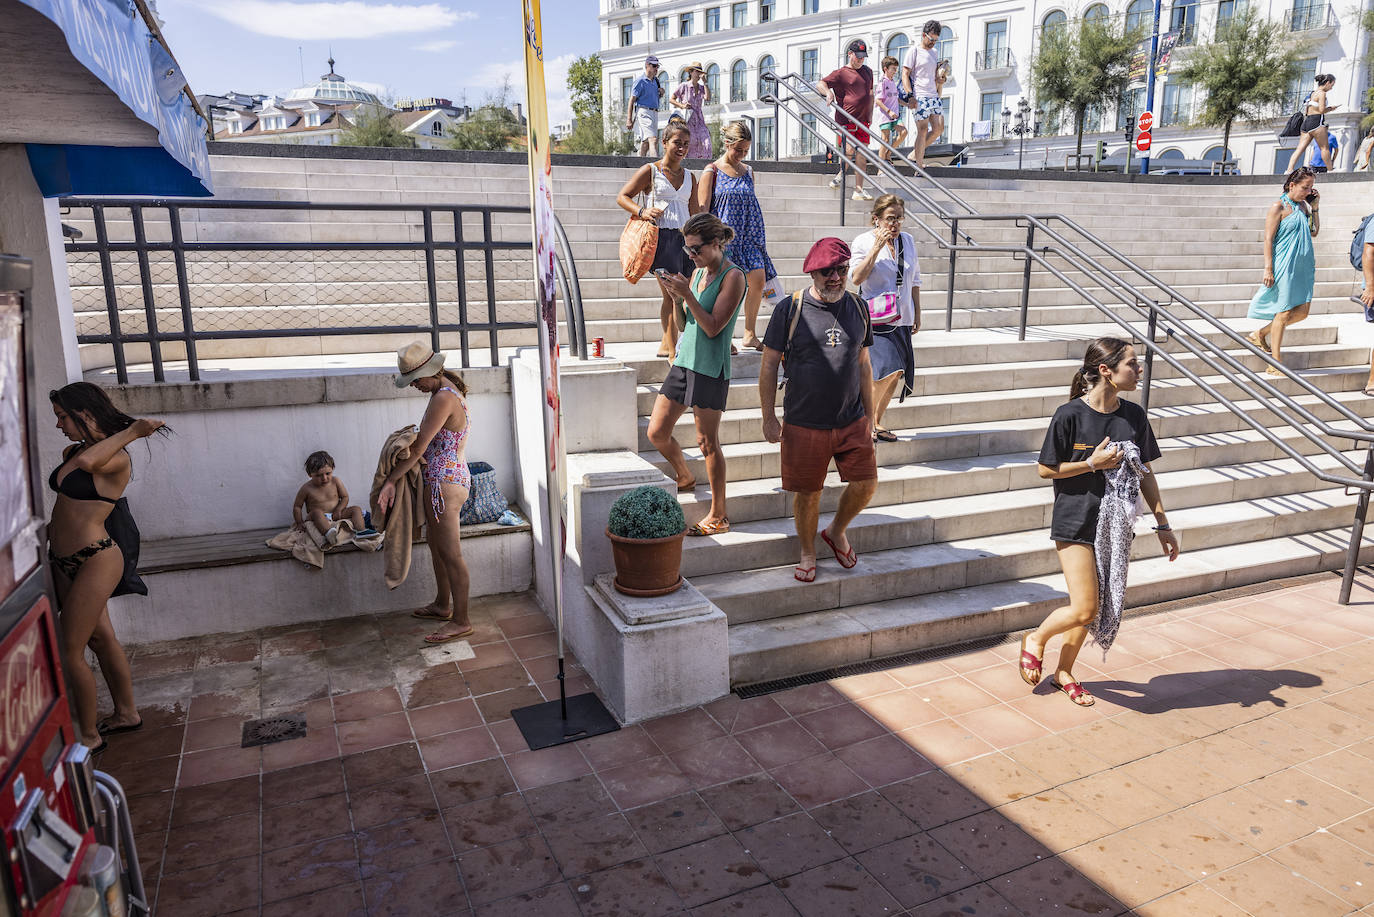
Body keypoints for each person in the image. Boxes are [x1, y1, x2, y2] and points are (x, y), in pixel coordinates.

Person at [1018, 338, 1179, 708]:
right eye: (1133, 364)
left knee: (1095, 605)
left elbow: (1145, 473)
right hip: (1075, 520)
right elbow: (1046, 469)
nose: (1140, 370)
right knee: (1087, 608)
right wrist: (1092, 463)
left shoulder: (1134, 416)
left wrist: (1163, 524)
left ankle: (1064, 673)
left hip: (1116, 526)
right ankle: (1036, 639)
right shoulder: (1069, 415)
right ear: (1106, 370)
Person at [47, 382, 167, 751]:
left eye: (63, 417)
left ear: (84, 414)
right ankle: (126, 713)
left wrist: (132, 431)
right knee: (100, 639)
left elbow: (88, 464)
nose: (59, 425)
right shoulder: (75, 449)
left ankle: (87, 735)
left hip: (96, 558)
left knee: (69, 651)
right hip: (62, 560)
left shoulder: (116, 458)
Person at [758, 238, 877, 582]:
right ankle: (808, 551)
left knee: (866, 483)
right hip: (804, 421)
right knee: (809, 493)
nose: (836, 277)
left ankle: (836, 531)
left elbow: (864, 362)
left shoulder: (858, 307)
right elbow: (768, 367)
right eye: (828, 271)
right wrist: (768, 417)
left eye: (841, 270)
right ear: (813, 271)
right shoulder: (790, 309)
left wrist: (872, 417)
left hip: (851, 418)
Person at [647, 213, 746, 534]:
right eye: (687, 250)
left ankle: (719, 515)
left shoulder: (733, 277)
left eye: (695, 249)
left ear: (716, 243)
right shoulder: (698, 272)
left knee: (707, 443)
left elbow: (714, 327)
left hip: (709, 368)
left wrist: (687, 295)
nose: (690, 256)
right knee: (656, 432)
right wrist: (677, 300)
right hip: (684, 362)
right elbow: (684, 325)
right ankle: (684, 474)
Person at [377, 343, 474, 644]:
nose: (415, 386)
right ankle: (443, 605)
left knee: (451, 554)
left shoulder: (443, 398)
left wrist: (390, 480)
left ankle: (461, 620)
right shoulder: (444, 391)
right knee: (436, 547)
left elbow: (420, 448)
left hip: (444, 486)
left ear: (429, 372)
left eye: (416, 380)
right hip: (444, 481)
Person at [617, 121, 701, 359]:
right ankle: (673, 351)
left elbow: (694, 210)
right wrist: (642, 211)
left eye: (686, 144)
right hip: (662, 239)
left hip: (686, 241)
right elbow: (622, 196)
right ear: (664, 143)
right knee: (671, 295)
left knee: (685, 294)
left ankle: (669, 344)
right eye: (677, 143)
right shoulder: (650, 170)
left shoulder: (690, 177)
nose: (682, 148)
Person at [699, 120, 778, 351]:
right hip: (724, 240)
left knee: (758, 280)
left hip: (750, 236)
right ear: (727, 143)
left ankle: (750, 334)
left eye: (746, 151)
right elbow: (703, 210)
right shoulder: (711, 171)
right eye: (738, 150)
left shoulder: (749, 171)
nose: (742, 155)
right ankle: (724, 336)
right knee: (730, 288)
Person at [850, 194, 920, 443]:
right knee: (886, 370)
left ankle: (876, 422)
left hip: (902, 315)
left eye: (899, 218)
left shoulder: (908, 241)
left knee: (897, 373)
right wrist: (877, 247)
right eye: (890, 218)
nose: (895, 224)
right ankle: (864, 422)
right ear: (875, 219)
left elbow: (915, 281)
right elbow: (856, 278)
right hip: (875, 319)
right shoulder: (863, 241)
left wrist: (917, 313)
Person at [1247, 167, 1319, 375]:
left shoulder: (1304, 207)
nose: (1308, 192)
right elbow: (1268, 239)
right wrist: (1268, 268)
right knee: (1284, 311)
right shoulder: (1278, 206)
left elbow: (1314, 232)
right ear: (1292, 185)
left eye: (1311, 188)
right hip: (1284, 264)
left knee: (1302, 312)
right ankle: (1275, 363)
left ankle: (1259, 334)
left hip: (1303, 266)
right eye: (1305, 188)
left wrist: (1315, 207)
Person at [819, 40, 876, 201]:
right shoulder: (841, 73)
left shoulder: (868, 72)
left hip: (863, 121)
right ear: (850, 54)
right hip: (846, 120)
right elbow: (821, 83)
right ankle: (840, 175)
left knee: (862, 153)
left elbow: (870, 93)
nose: (860, 60)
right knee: (850, 150)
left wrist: (870, 115)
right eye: (857, 56)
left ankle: (858, 189)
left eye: (863, 57)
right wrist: (828, 93)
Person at [293, 450, 369, 540]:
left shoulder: (335, 481)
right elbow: (297, 507)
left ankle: (361, 532)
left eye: (328, 473)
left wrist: (339, 509)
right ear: (310, 474)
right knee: (317, 512)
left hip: (336, 514)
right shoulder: (306, 488)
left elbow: (345, 497)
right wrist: (299, 523)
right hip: (317, 519)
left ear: (332, 469)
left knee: (356, 509)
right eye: (318, 475)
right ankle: (329, 534)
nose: (324, 478)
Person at [903, 20, 946, 170]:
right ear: (923, 35)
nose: (933, 42)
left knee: (939, 129)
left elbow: (933, 75)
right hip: (919, 95)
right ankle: (919, 166)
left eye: (936, 40)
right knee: (922, 130)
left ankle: (915, 154)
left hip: (933, 95)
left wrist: (940, 79)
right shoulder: (913, 51)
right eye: (931, 39)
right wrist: (910, 96)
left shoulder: (934, 53)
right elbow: (905, 73)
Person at [1285, 74, 1337, 173]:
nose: (1331, 88)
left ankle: (1289, 169)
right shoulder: (1322, 93)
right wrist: (1331, 108)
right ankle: (1330, 170)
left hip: (1306, 122)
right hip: (1316, 121)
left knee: (1299, 149)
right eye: (1332, 85)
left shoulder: (1312, 93)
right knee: (1324, 148)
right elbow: (1321, 110)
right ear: (1327, 83)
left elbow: (1308, 109)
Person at [672, 62, 712, 159]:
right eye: (697, 71)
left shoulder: (702, 87)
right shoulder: (684, 86)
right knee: (691, 143)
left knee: (707, 142)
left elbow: (707, 98)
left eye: (700, 72)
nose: (699, 74)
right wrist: (682, 105)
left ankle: (704, 164)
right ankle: (690, 164)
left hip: (699, 120)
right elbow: (671, 99)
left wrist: (705, 82)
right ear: (691, 72)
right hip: (688, 120)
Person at [628, 55, 665, 158]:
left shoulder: (656, 81)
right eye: (654, 66)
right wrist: (629, 119)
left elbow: (655, 97)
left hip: (654, 112)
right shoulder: (640, 81)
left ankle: (640, 162)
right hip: (644, 112)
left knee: (646, 142)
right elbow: (632, 100)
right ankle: (656, 166)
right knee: (653, 139)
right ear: (647, 65)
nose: (656, 68)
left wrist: (661, 93)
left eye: (657, 66)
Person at [875, 56, 907, 163]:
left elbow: (896, 98)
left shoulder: (893, 82)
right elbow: (878, 100)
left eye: (896, 68)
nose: (895, 71)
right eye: (893, 68)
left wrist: (907, 104)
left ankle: (889, 153)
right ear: (886, 69)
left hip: (895, 116)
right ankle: (880, 166)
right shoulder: (882, 82)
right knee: (885, 140)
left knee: (904, 132)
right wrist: (889, 111)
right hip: (885, 115)